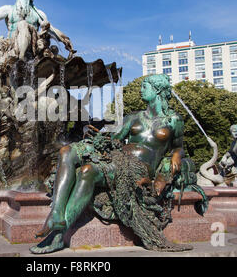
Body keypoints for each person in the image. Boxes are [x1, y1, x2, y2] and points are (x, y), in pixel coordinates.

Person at [30, 74, 194, 254]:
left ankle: (58, 235)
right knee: (66, 151)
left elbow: (179, 147)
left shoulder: (174, 120)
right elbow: (113, 140)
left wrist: (177, 156)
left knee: (87, 171)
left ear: (157, 91)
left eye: (145, 86)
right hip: (117, 158)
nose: (141, 90)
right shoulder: (132, 118)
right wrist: (98, 137)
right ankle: (57, 213)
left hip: (138, 169)